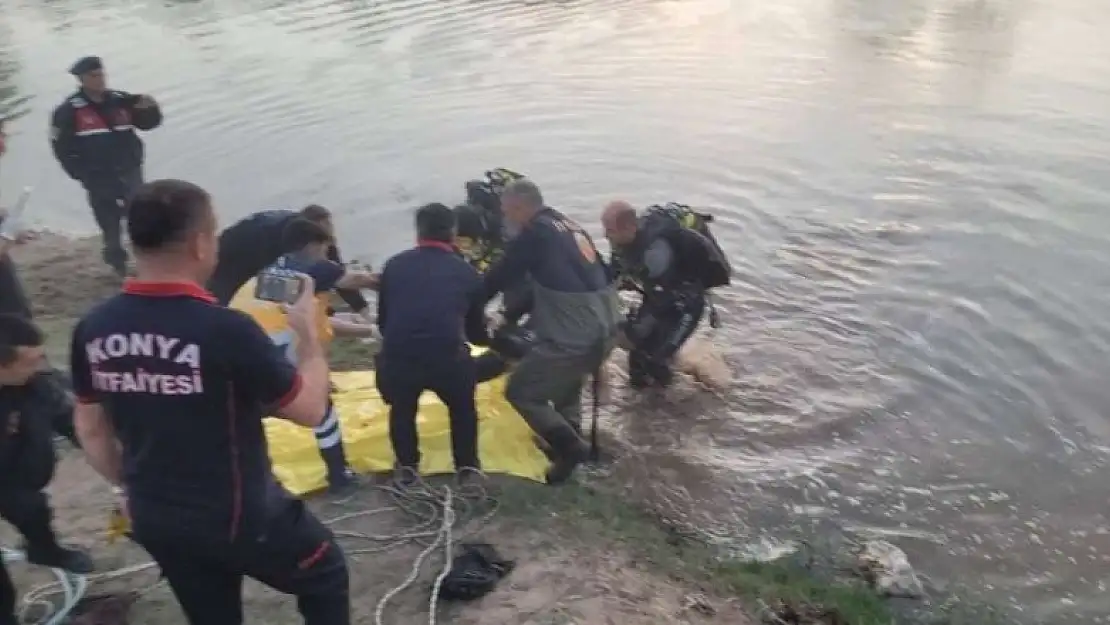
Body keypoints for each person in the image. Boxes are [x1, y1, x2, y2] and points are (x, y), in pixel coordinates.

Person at [70, 179, 349, 625]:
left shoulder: (93, 327)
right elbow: (311, 410)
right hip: (241, 516)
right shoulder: (224, 329)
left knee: (211, 613)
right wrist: (308, 340)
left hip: (154, 515)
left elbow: (90, 428)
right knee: (326, 571)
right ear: (201, 244)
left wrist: (128, 487)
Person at [481, 180, 621, 485]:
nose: (506, 219)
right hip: (606, 328)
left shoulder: (534, 234)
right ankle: (568, 452)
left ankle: (571, 449)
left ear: (519, 208)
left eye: (507, 212)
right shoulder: (566, 226)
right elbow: (542, 283)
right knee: (566, 386)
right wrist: (509, 314)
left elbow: (498, 277)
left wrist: (467, 303)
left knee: (521, 392)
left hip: (577, 334)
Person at [229, 218, 379, 494]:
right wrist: (391, 279)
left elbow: (316, 322)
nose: (327, 257)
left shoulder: (270, 277)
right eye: (324, 249)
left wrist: (369, 329)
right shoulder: (311, 269)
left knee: (244, 416)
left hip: (234, 356)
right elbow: (356, 279)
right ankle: (340, 476)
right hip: (266, 356)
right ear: (312, 246)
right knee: (320, 402)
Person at [375, 203, 489, 489]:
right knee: (463, 406)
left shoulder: (394, 265)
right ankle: (467, 467)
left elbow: (383, 323)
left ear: (418, 232)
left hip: (400, 358)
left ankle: (407, 467)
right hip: (446, 357)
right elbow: (476, 334)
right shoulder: (466, 273)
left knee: (402, 408)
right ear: (452, 233)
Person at [0, 314, 94, 625]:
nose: (42, 365)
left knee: (33, 510)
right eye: (31, 361)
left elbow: (68, 419)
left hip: (16, 479)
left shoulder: (35, 382)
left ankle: (46, 550)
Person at [50, 56, 163, 277]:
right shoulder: (68, 111)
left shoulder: (121, 100)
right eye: (94, 76)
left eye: (101, 74)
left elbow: (148, 123)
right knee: (109, 221)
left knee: (140, 215)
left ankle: (148, 262)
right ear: (81, 79)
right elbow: (60, 148)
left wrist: (151, 108)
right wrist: (81, 175)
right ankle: (116, 261)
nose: (100, 79)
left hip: (129, 170)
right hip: (98, 176)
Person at [601, 200, 731, 389]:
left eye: (610, 230)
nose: (605, 235)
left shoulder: (655, 253)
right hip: (662, 296)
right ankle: (642, 411)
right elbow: (612, 275)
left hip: (686, 305)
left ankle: (673, 407)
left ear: (629, 228)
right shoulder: (622, 245)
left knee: (656, 360)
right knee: (636, 359)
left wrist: (630, 330)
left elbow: (660, 303)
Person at [207, 205, 373, 316]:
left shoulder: (317, 237)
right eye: (323, 241)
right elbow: (267, 287)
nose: (328, 245)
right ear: (308, 239)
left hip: (261, 255)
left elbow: (336, 272)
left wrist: (363, 310)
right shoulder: (272, 239)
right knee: (227, 306)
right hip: (229, 257)